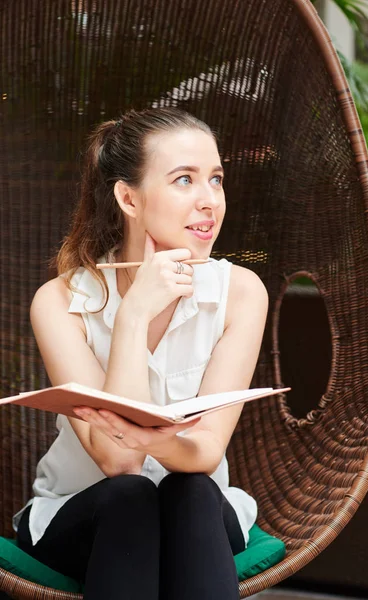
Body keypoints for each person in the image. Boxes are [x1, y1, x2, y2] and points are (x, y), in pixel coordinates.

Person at [14, 107, 269, 600]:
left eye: (215, 179)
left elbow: (206, 451)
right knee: (132, 496)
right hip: (82, 513)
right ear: (128, 198)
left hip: (198, 512)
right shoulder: (61, 300)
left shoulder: (240, 292)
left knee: (192, 490)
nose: (208, 201)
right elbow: (117, 461)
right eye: (184, 180)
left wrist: (146, 438)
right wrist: (133, 316)